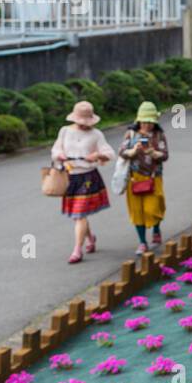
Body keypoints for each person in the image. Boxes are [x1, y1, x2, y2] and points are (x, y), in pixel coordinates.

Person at [51, 101, 115, 264]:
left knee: (80, 215)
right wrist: (60, 155)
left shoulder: (96, 134)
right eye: (81, 121)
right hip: (70, 176)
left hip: (88, 177)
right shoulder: (64, 131)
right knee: (79, 215)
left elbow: (109, 153)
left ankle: (77, 250)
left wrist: (98, 156)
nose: (83, 125)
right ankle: (90, 238)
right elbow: (56, 149)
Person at [118, 102, 169, 254]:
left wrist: (152, 152)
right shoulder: (131, 134)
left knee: (153, 208)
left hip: (154, 177)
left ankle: (156, 228)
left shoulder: (159, 135)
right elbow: (121, 152)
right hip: (134, 178)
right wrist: (133, 151)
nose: (147, 125)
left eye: (150, 122)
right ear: (138, 120)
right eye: (144, 121)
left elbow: (165, 155)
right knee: (137, 211)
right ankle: (142, 242)